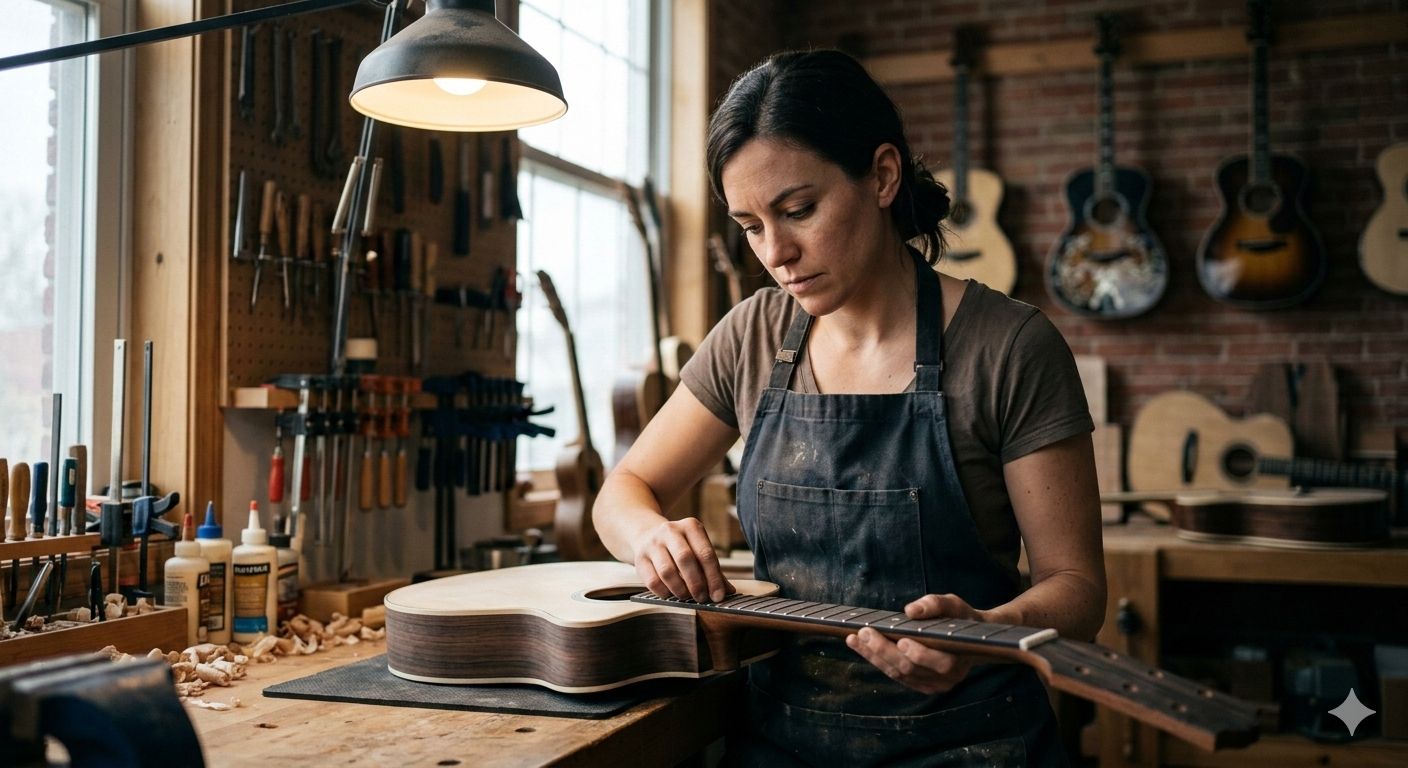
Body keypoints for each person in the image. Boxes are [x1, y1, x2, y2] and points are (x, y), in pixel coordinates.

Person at [593, 49, 1105, 767]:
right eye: (749, 225)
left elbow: (1077, 593)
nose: (776, 252)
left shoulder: (1009, 346)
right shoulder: (752, 336)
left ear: (883, 176)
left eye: (798, 210)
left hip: (973, 743)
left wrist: (986, 631)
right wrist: (651, 538)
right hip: (777, 744)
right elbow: (621, 492)